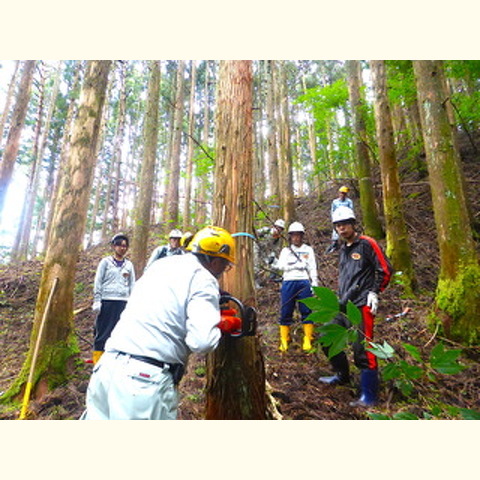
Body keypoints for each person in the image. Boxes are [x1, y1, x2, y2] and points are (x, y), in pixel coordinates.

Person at [80, 226, 241, 420]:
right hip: (143, 382)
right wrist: (218, 325)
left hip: (106, 370)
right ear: (215, 262)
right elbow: (202, 342)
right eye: (225, 266)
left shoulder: (161, 266)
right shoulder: (204, 278)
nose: (223, 272)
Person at [318, 206, 393, 407]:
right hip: (343, 303)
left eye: (345, 224)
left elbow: (385, 269)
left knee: (363, 348)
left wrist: (375, 291)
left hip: (362, 304)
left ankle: (369, 396)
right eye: (338, 225)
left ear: (353, 224)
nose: (342, 229)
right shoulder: (343, 248)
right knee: (327, 337)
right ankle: (342, 375)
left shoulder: (367, 244)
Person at [91, 233, 136, 364]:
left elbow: (132, 284)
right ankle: (98, 361)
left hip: (123, 302)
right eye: (119, 245)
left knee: (119, 332)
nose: (122, 248)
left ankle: (115, 362)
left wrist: (131, 302)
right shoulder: (105, 262)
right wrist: (97, 300)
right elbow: (98, 281)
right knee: (103, 332)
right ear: (113, 246)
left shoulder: (129, 265)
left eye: (125, 246)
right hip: (107, 300)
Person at [276, 221, 319, 352]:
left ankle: (308, 337)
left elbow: (312, 267)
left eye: (298, 235)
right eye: (293, 235)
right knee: (286, 310)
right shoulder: (286, 251)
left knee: (306, 309)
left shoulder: (308, 250)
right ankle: (284, 338)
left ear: (302, 236)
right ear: (290, 236)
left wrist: (314, 283)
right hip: (289, 281)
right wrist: (293, 266)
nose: (296, 238)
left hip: (304, 281)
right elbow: (280, 266)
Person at [254, 219, 285, 285]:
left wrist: (272, 255)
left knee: (276, 264)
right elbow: (255, 234)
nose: (279, 230)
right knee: (256, 267)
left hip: (266, 253)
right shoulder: (266, 230)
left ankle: (271, 280)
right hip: (256, 249)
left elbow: (275, 249)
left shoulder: (277, 239)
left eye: (281, 229)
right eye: (278, 227)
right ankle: (256, 283)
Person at [326, 186, 354, 254]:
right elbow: (332, 211)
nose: (342, 195)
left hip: (346, 219)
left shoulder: (349, 201)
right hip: (337, 219)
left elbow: (351, 210)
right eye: (341, 193)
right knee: (336, 232)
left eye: (344, 193)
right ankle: (334, 244)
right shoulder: (335, 202)